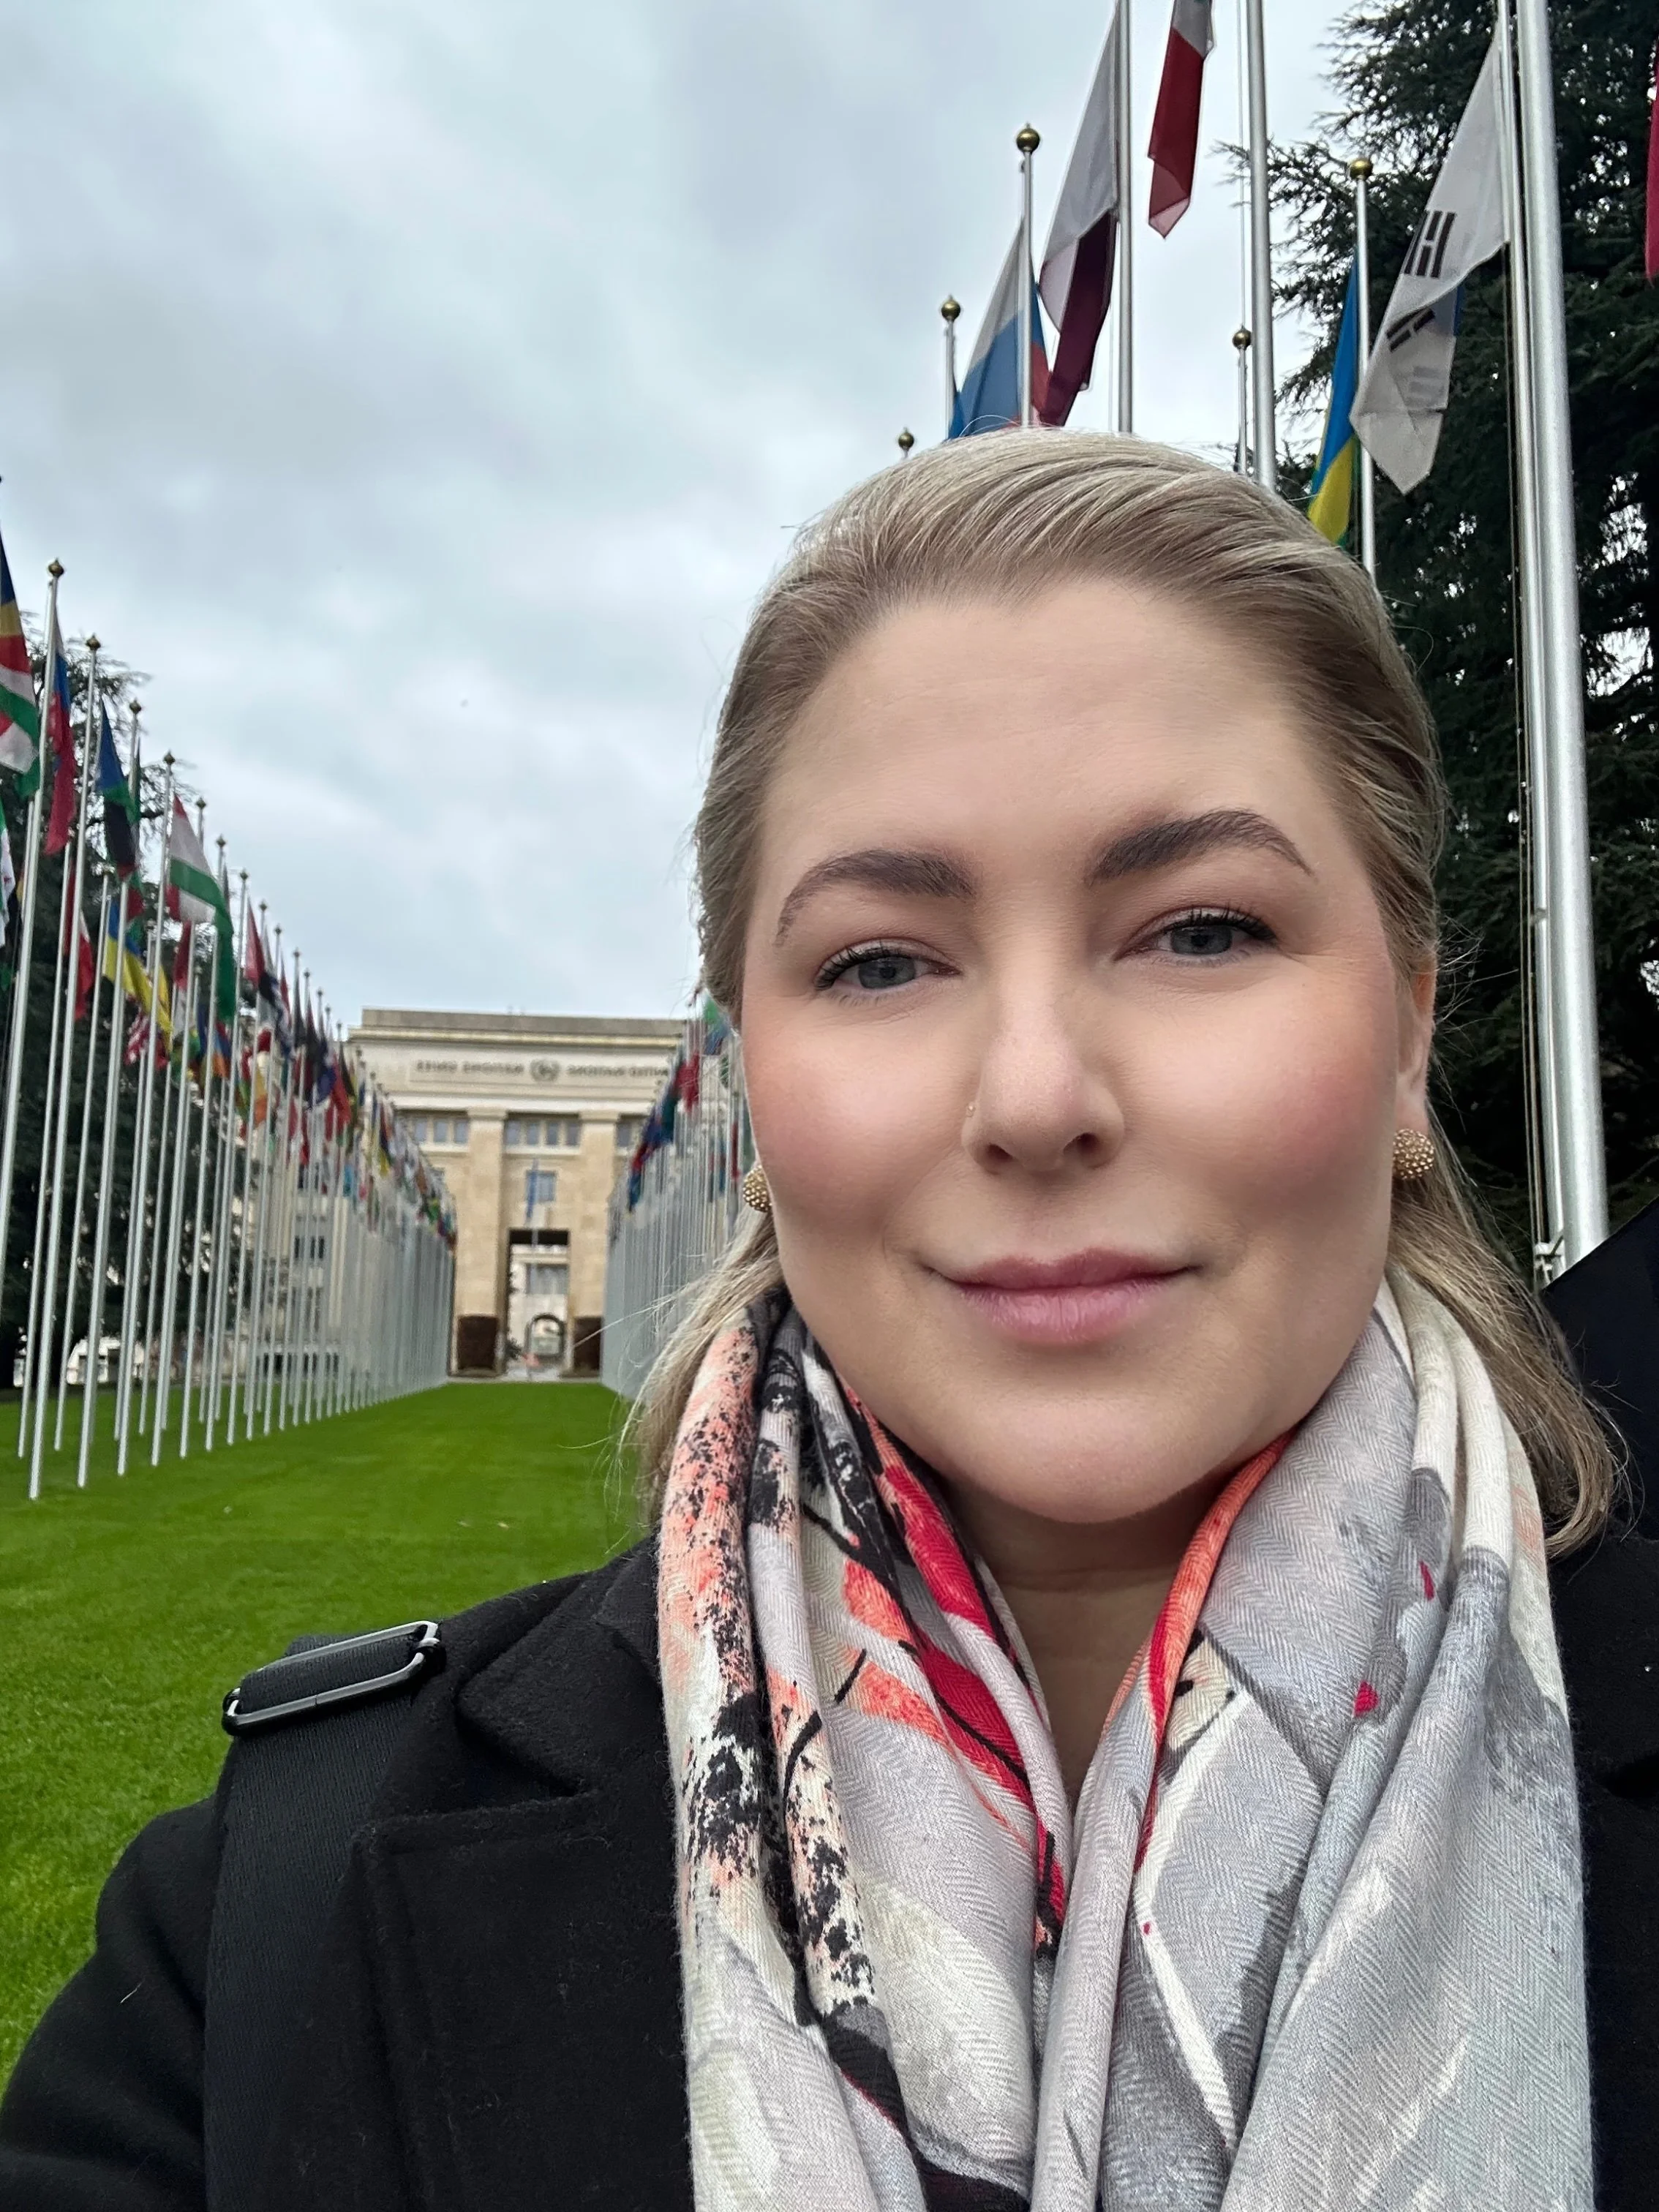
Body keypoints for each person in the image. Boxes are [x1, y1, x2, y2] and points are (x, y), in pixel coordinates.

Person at [3, 432, 1655, 2212]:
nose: (1035, 1096)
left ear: (1409, 1030)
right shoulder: (269, 1926)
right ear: (752, 1079)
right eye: (881, 960)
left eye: (1197, 930)